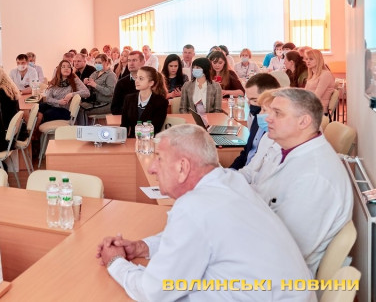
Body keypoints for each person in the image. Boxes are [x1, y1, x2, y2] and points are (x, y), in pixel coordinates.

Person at [97, 124, 314, 301]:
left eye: (160, 158)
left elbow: (153, 292)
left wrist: (115, 262)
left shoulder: (194, 207)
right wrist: (142, 247)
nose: (152, 167)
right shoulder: (231, 182)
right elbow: (195, 238)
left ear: (182, 167)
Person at [240, 88, 353, 274]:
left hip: (278, 274)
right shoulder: (287, 150)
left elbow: (286, 249)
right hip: (263, 250)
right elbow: (261, 193)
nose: (268, 118)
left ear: (303, 121)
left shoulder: (315, 176)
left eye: (277, 113)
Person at [229, 73, 280, 170]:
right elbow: (246, 152)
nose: (250, 104)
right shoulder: (257, 118)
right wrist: (230, 171)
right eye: (248, 99)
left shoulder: (276, 132)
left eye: (255, 100)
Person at [120, 66, 168, 137]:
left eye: (141, 78)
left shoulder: (161, 102)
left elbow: (156, 128)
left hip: (150, 140)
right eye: (136, 77)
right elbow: (124, 125)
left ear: (151, 83)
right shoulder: (129, 99)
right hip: (132, 140)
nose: (136, 81)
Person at [110, 51, 145, 115]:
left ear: (143, 62)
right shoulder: (121, 83)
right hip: (127, 118)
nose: (131, 63)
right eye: (129, 60)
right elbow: (114, 108)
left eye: (134, 60)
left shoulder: (150, 81)